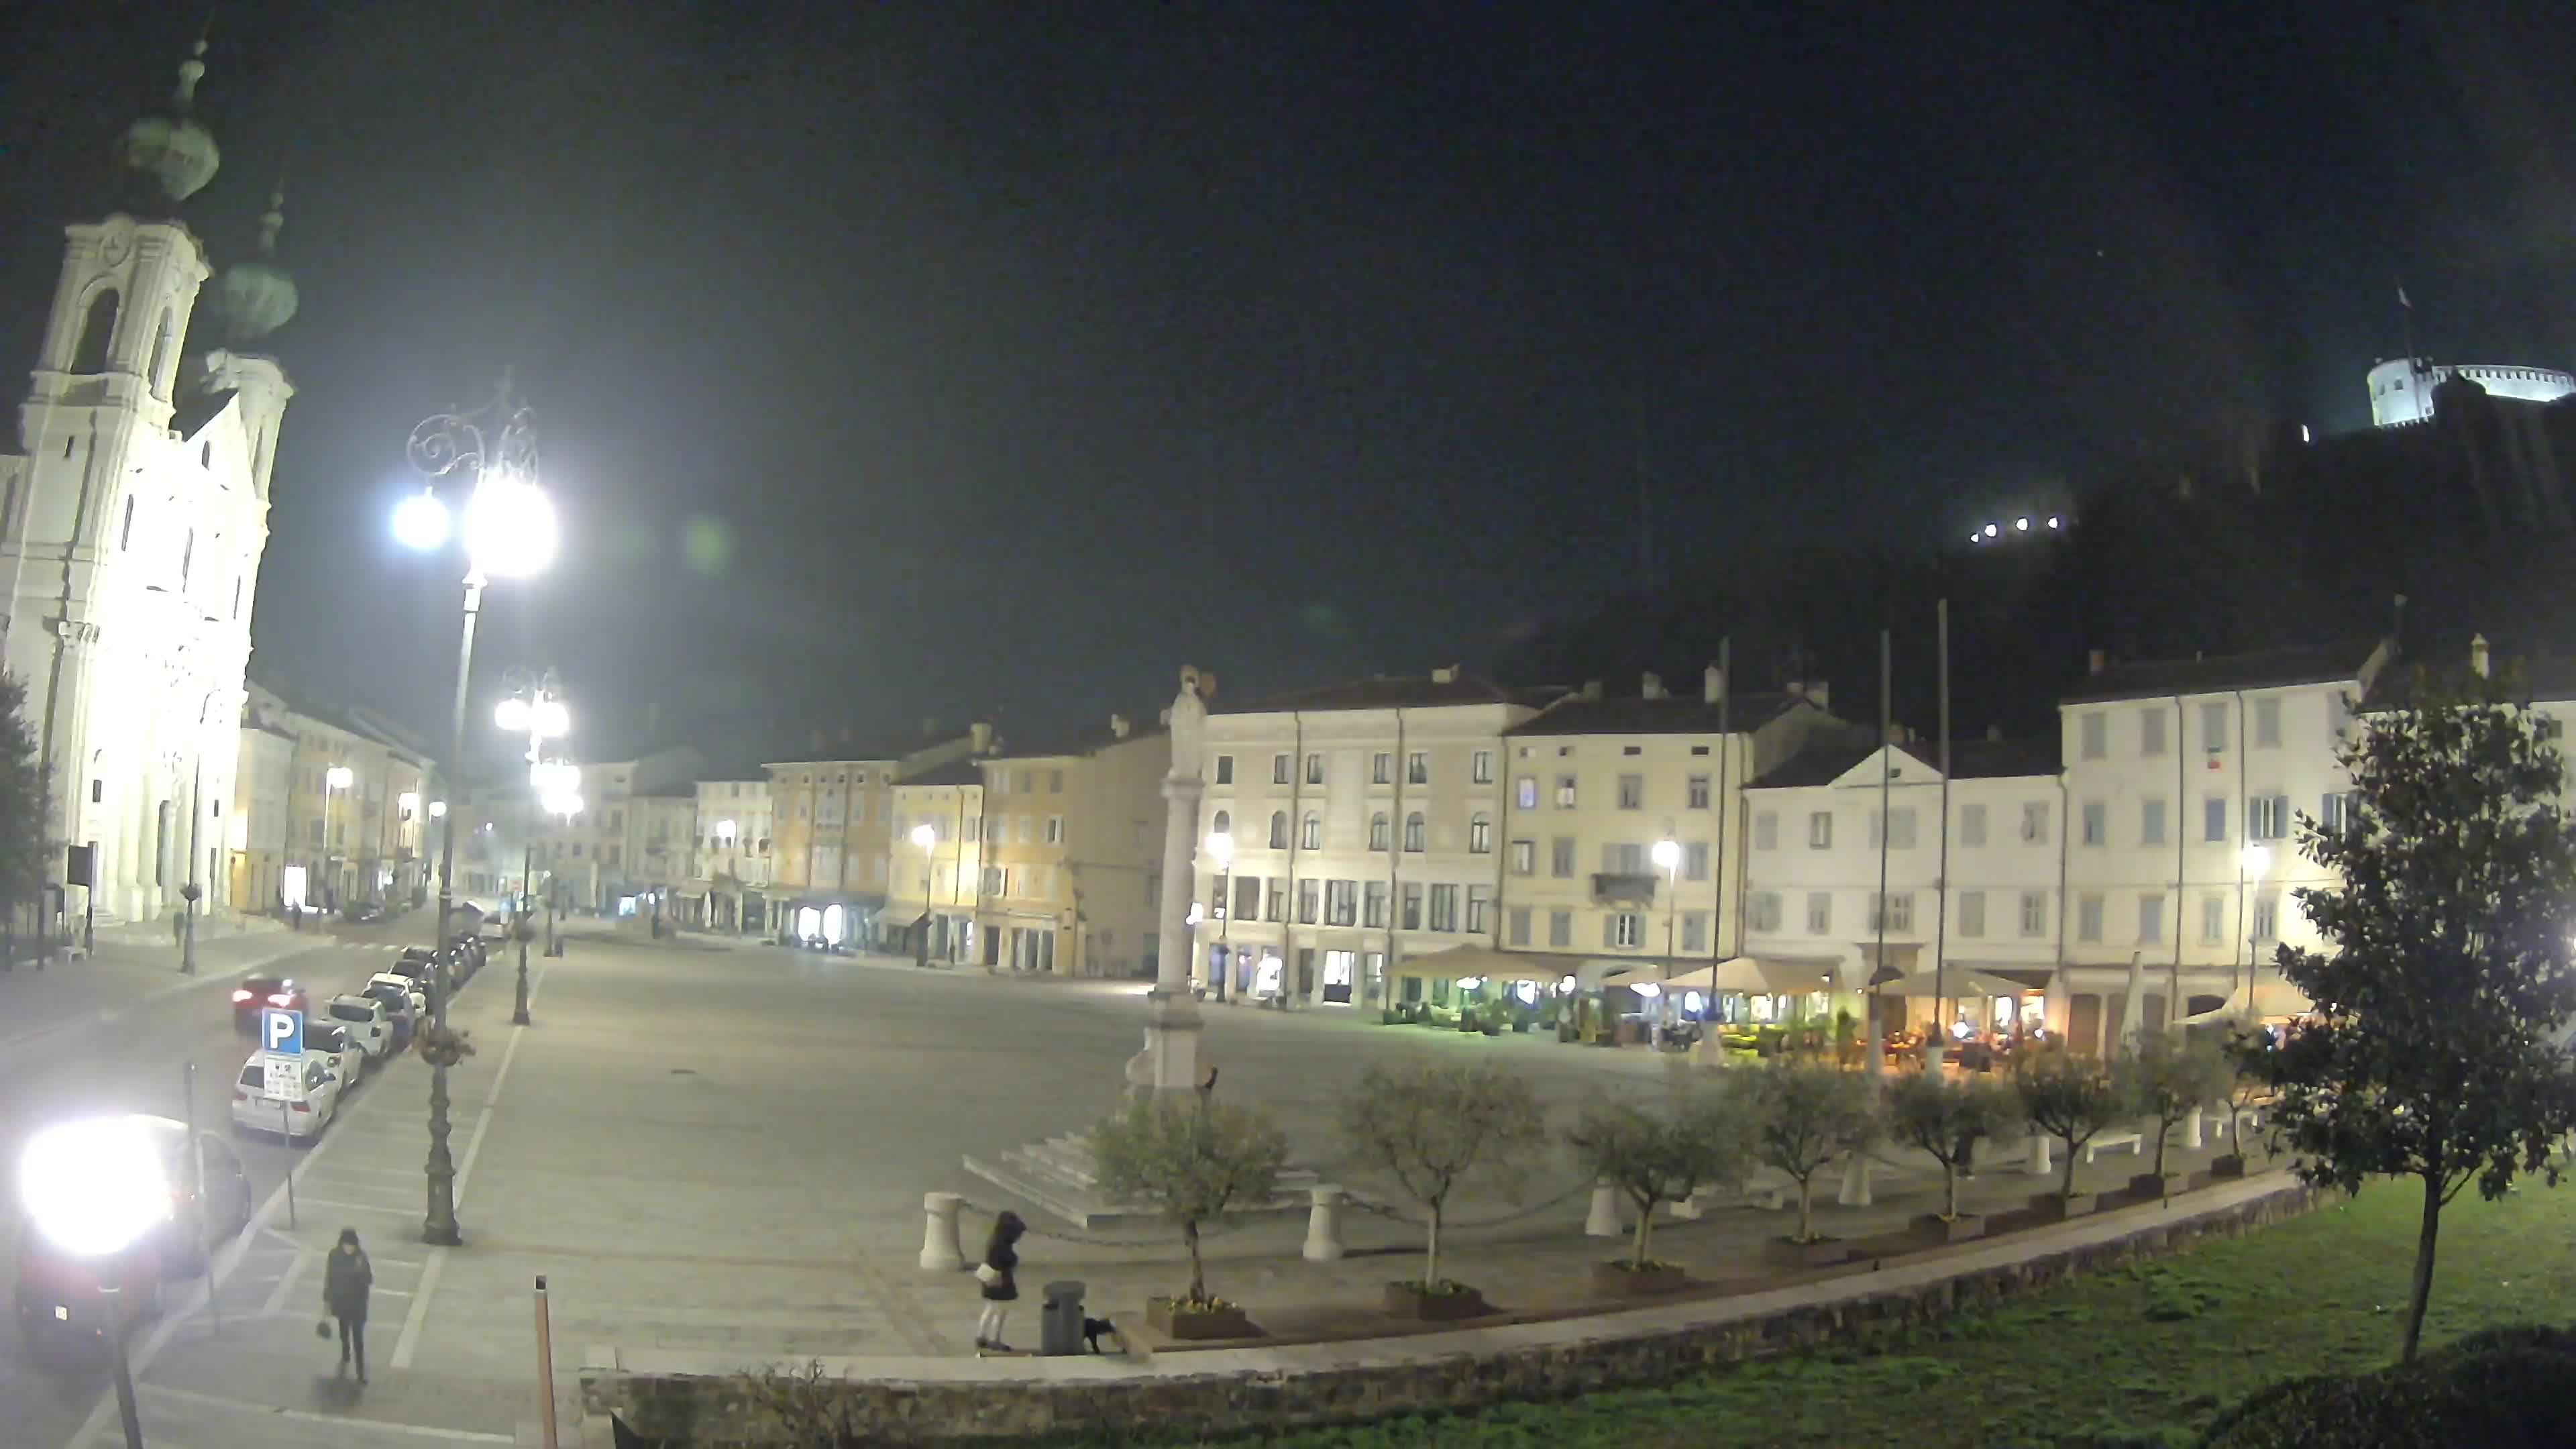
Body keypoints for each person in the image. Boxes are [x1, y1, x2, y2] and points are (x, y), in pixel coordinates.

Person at [971, 1211, 1026, 1352]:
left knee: (989, 1309)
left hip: (990, 1280)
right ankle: (995, 1340)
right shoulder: (1003, 1245)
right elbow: (1011, 1261)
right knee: (1001, 1313)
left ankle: (981, 1336)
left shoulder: (994, 1240)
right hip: (1002, 1283)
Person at [324, 1228, 373, 1381]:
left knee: (358, 1339)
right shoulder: (334, 1256)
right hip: (342, 1302)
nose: (349, 1249)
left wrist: (361, 1272)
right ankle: (346, 1351)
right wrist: (327, 1299)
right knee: (344, 1330)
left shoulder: (361, 1258)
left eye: (351, 1246)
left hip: (358, 1304)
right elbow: (330, 1278)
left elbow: (369, 1279)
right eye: (346, 1245)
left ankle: (360, 1371)